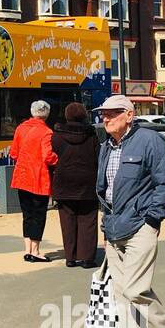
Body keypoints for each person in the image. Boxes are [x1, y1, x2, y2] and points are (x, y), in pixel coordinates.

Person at [96, 95, 165, 328]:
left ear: (129, 114)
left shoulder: (150, 141)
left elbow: (164, 182)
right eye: (103, 114)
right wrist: (105, 225)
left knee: (136, 290)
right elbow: (104, 190)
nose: (106, 118)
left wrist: (153, 219)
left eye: (112, 113)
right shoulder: (105, 147)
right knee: (123, 295)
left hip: (140, 226)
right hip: (114, 228)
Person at [51, 102, 100, 268]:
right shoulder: (91, 135)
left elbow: (54, 154)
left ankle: (70, 257)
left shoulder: (57, 135)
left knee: (67, 220)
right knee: (88, 220)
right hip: (88, 181)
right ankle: (87, 258)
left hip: (64, 181)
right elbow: (97, 157)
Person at [9, 100, 57, 262]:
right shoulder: (46, 132)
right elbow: (48, 156)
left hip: (21, 176)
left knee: (27, 214)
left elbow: (14, 153)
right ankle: (35, 251)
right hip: (38, 178)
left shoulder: (21, 129)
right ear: (47, 114)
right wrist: (60, 159)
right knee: (38, 214)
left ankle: (27, 248)